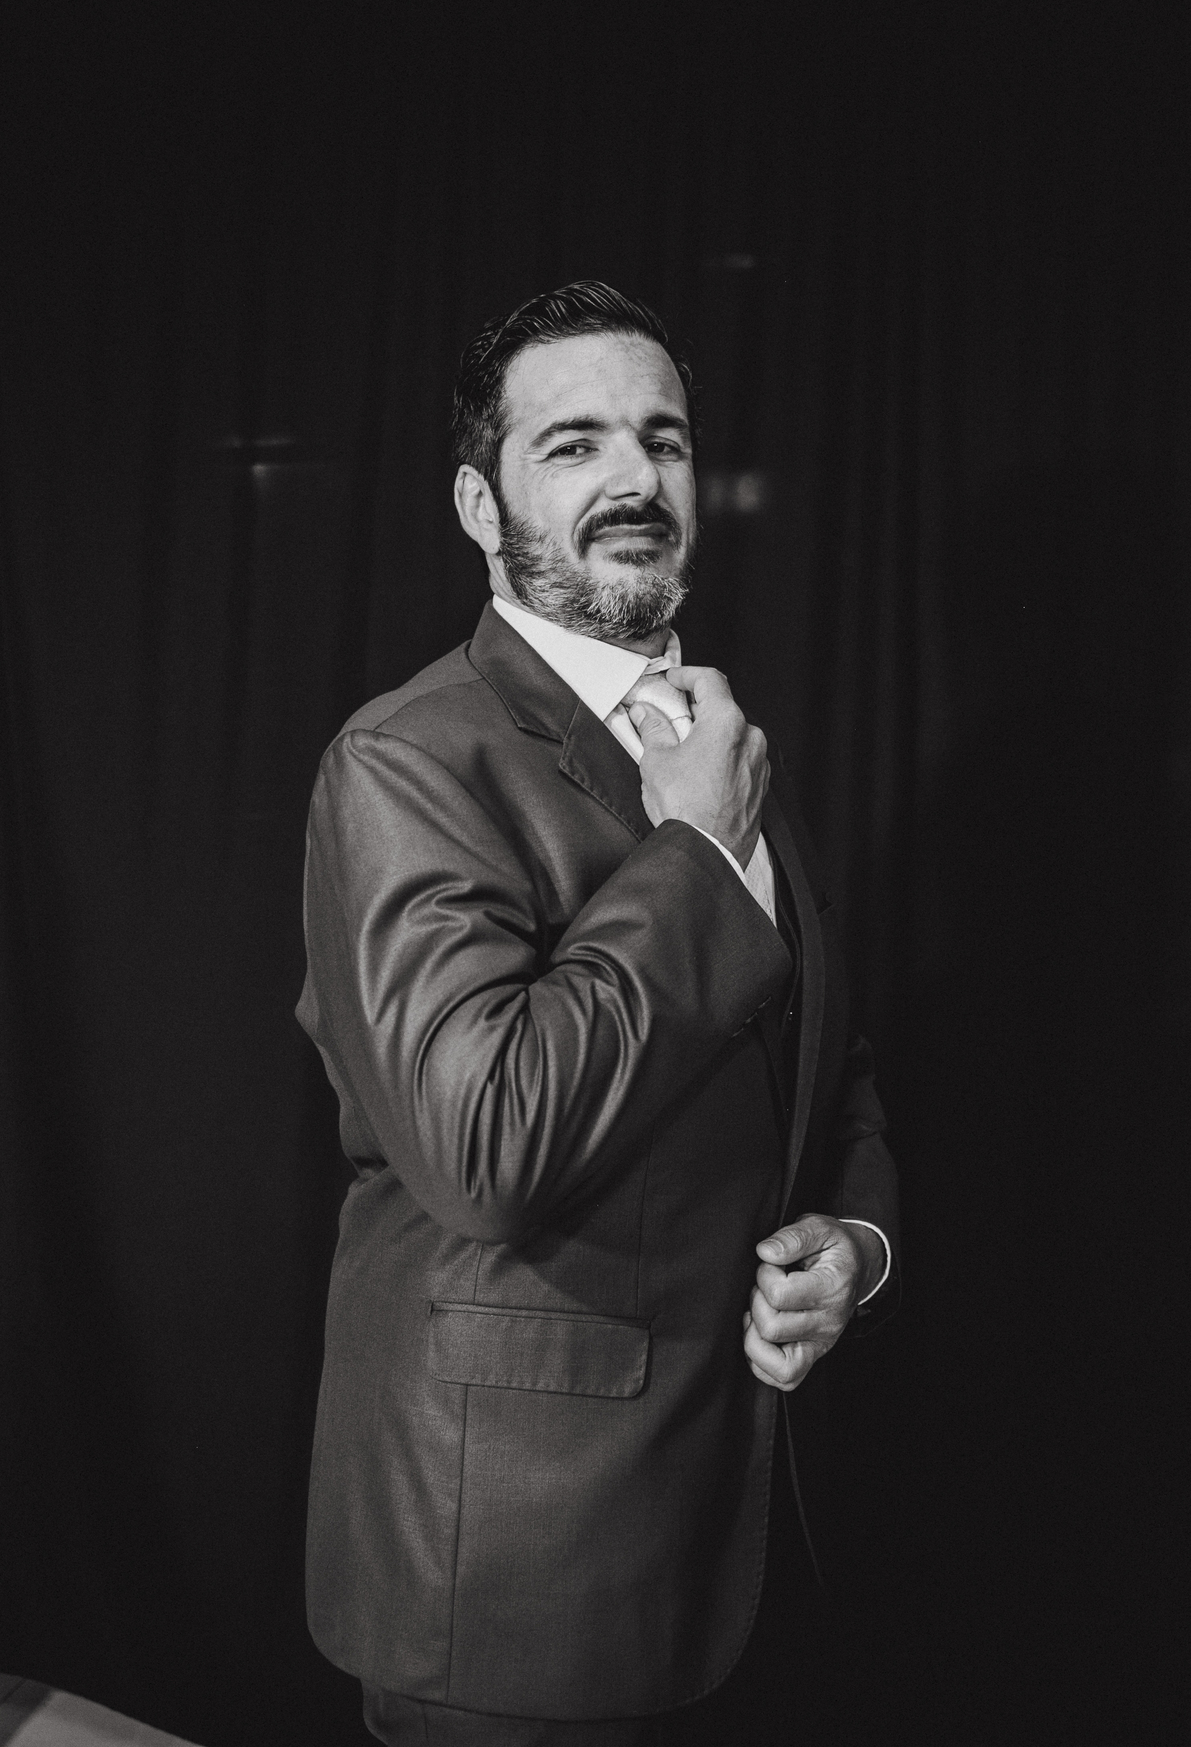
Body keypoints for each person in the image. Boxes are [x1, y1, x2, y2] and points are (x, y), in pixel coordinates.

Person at [295, 282, 899, 1745]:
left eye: (662, 439)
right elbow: (485, 1146)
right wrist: (693, 852)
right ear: (479, 503)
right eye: (573, 445)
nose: (636, 478)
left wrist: (856, 1244)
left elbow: (827, 1067)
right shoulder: (407, 761)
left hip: (739, 1541)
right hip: (517, 1576)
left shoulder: (720, 740)